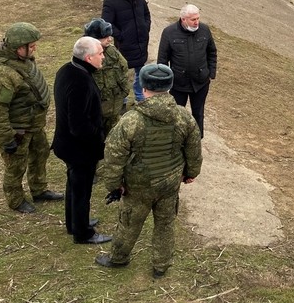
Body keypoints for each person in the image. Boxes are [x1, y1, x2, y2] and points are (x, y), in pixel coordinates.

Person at [95, 64, 202, 278]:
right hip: (170, 182)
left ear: (144, 88)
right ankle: (161, 266)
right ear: (169, 86)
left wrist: (114, 186)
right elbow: (193, 150)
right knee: (165, 223)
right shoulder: (184, 117)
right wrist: (191, 173)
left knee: (129, 223)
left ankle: (118, 258)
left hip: (138, 186)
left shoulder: (131, 120)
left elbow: (114, 157)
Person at [0, 22, 63, 214]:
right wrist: (6, 138)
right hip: (18, 130)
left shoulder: (21, 61)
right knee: (16, 166)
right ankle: (15, 200)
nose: (34, 48)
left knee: (40, 154)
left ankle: (39, 189)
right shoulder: (1, 74)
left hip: (33, 126)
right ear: (19, 47)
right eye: (31, 45)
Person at [51, 37, 111, 244]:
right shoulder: (81, 81)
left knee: (75, 187)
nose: (103, 56)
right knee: (82, 190)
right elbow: (79, 125)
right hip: (79, 149)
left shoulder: (66, 70)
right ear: (88, 57)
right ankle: (83, 233)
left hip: (67, 144)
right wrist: (99, 140)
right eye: (100, 54)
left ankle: (75, 223)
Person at [157, 4, 217, 139]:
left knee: (198, 113)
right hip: (178, 84)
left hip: (200, 83)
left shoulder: (204, 30)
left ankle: (196, 140)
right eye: (193, 19)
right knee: (176, 113)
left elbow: (212, 52)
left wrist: (211, 73)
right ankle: (175, 140)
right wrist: (164, 83)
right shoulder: (169, 32)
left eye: (198, 18)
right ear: (183, 19)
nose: (197, 22)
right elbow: (162, 60)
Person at [101, 0, 151, 104]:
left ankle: (140, 97)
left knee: (141, 71)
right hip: (124, 45)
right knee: (121, 73)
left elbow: (146, 14)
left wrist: (145, 28)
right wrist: (121, 36)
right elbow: (107, 22)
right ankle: (122, 99)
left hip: (141, 42)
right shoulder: (111, 2)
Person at [83, 18, 130, 136]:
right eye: (105, 37)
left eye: (110, 35)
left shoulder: (112, 51)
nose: (110, 39)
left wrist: (124, 91)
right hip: (97, 111)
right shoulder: (85, 55)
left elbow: (123, 67)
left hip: (114, 106)